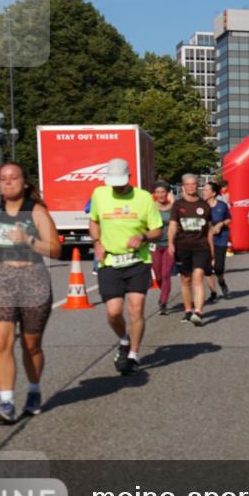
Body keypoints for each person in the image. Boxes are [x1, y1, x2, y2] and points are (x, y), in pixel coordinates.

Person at [0, 162, 62, 423]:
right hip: (2, 279)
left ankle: (33, 391)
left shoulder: (36, 212)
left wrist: (29, 240)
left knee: (31, 345)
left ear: (25, 182)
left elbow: (56, 250)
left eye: (13, 178)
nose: (8, 182)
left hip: (33, 280)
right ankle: (6, 402)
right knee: (1, 343)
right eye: (3, 179)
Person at [89, 158, 164, 376]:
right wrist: (97, 242)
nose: (118, 187)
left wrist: (142, 235)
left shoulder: (143, 198)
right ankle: (124, 339)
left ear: (129, 178)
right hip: (110, 261)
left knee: (137, 308)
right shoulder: (99, 194)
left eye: (121, 182)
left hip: (137, 261)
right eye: (114, 183)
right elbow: (93, 221)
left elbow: (157, 230)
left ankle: (133, 354)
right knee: (113, 312)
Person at [169, 174, 214, 325]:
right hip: (183, 247)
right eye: (188, 184)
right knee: (186, 280)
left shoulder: (204, 205)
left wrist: (212, 250)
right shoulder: (177, 205)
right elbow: (173, 226)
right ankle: (188, 310)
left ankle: (199, 312)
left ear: (197, 185)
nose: (191, 187)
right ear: (183, 186)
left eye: (194, 184)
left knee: (198, 278)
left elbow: (209, 230)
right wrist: (170, 243)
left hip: (201, 247)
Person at [203, 181, 231, 302]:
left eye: (206, 190)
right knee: (207, 268)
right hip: (204, 240)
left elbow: (229, 219)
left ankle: (222, 282)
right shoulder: (201, 207)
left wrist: (221, 224)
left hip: (220, 239)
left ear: (213, 193)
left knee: (219, 267)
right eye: (203, 189)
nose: (203, 192)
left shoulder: (222, 205)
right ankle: (213, 292)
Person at [151, 181, 175, 314]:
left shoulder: (173, 207)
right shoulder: (150, 207)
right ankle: (163, 292)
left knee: (166, 274)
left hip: (169, 245)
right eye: (158, 192)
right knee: (159, 276)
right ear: (154, 194)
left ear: (167, 193)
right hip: (154, 245)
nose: (160, 194)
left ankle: (163, 302)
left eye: (163, 192)